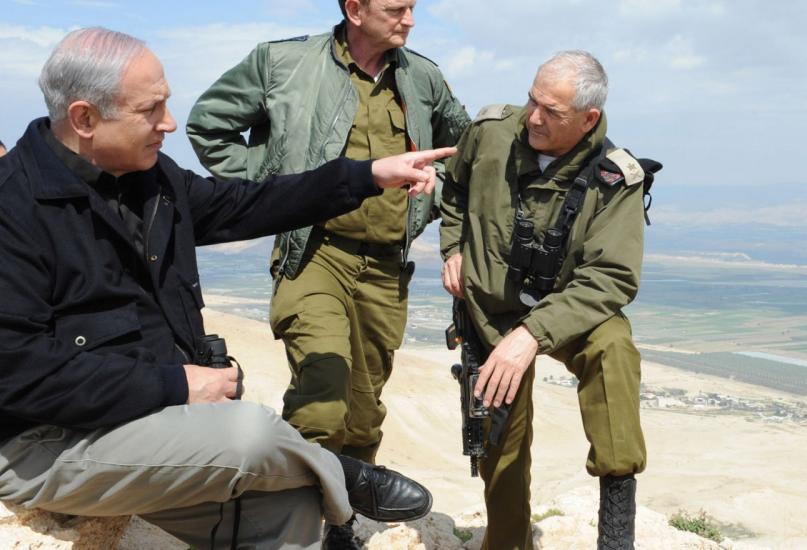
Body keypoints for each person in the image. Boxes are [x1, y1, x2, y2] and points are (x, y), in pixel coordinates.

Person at [0, 27, 456, 550]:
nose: (169, 124)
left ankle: (323, 493)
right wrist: (180, 386)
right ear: (84, 118)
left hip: (150, 427)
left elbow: (250, 204)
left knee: (286, 502)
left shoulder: (153, 182)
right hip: (48, 443)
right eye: (151, 110)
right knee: (250, 434)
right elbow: (19, 376)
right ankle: (341, 477)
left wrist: (368, 175)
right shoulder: (13, 209)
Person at [187, 1, 469, 515]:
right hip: (313, 253)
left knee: (362, 415)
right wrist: (272, 185)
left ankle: (341, 519)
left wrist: (436, 189)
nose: (409, 19)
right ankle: (287, 522)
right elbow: (208, 127)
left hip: (386, 267)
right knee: (322, 397)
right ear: (355, 9)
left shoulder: (423, 77)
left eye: (412, 7)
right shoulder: (280, 63)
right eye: (395, 8)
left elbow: (464, 154)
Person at [440, 51, 655, 550]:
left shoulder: (615, 179)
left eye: (551, 111)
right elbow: (453, 189)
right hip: (491, 308)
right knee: (500, 439)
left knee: (613, 349)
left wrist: (533, 334)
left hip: (567, 310)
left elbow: (612, 277)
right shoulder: (492, 131)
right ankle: (509, 541)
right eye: (532, 99)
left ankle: (616, 531)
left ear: (588, 119)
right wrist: (453, 248)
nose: (533, 117)